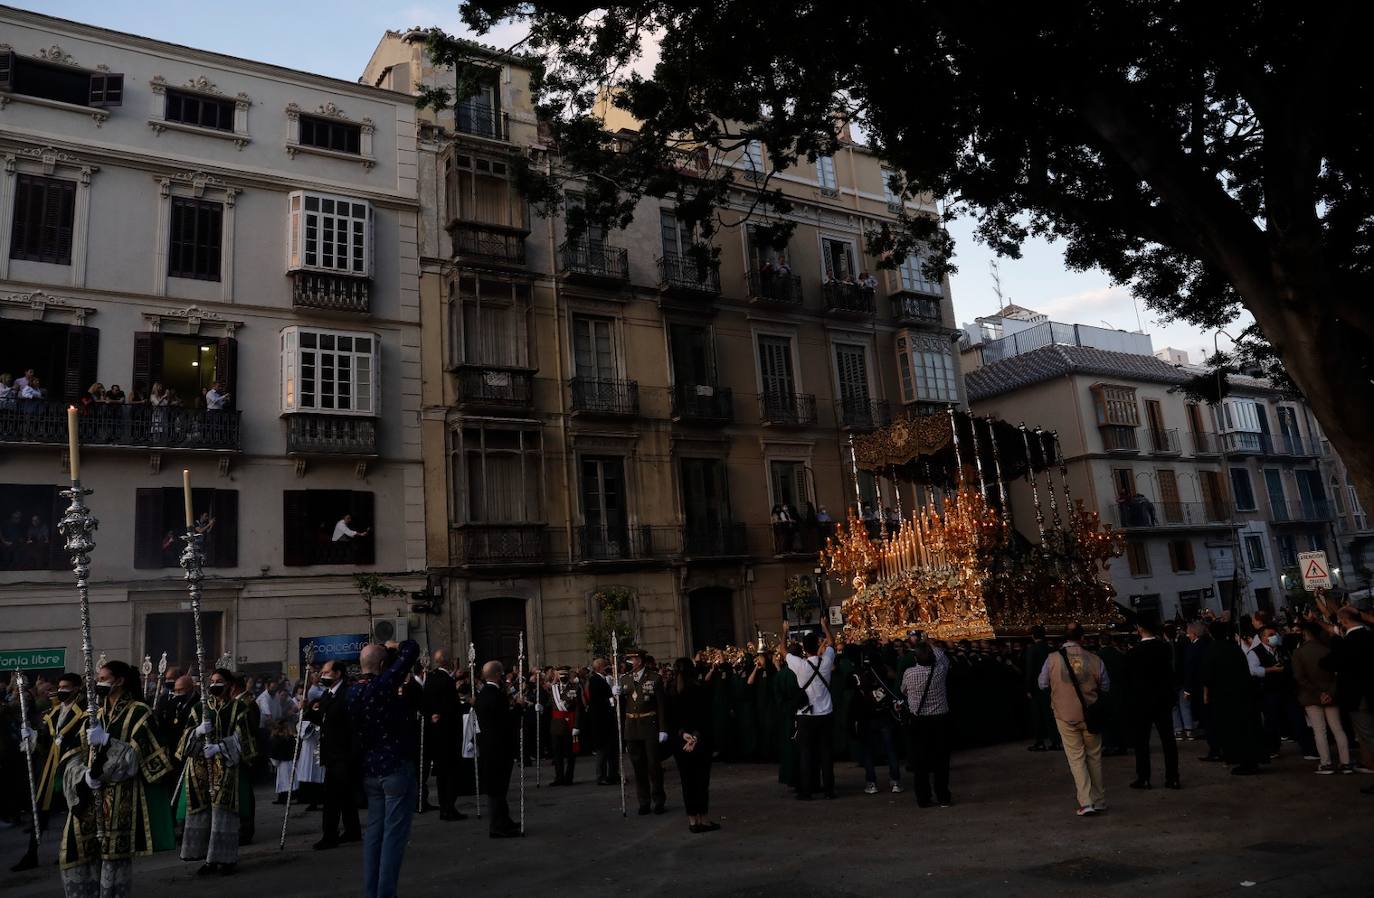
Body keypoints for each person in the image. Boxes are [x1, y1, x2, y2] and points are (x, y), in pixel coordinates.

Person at [58, 660, 173, 898]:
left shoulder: (140, 712)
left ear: (119, 681)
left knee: (112, 861)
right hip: (88, 796)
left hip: (121, 797)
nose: (98, 683)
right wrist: (85, 775)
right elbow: (74, 753)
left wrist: (108, 742)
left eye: (103, 679)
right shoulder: (95, 714)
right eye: (97, 679)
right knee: (76, 853)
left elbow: (137, 760)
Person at [348, 639, 421, 897]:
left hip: (370, 770)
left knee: (374, 836)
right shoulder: (382, 685)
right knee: (394, 837)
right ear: (381, 665)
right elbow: (411, 649)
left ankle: (372, 892)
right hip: (394, 766)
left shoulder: (352, 691)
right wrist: (394, 647)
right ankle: (386, 893)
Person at [178, 668, 255, 875]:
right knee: (204, 814)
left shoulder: (239, 708)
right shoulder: (199, 708)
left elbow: (244, 739)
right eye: (211, 680)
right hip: (201, 768)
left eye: (219, 680)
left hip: (226, 767)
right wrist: (198, 731)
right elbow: (184, 740)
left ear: (229, 684)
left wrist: (221, 747)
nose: (214, 684)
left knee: (223, 813)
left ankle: (226, 858)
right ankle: (209, 859)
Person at [1038, 623, 1109, 816]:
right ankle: (1099, 800)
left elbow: (1042, 683)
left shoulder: (1052, 658)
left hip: (1064, 714)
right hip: (1090, 714)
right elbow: (1105, 686)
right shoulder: (1095, 659)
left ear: (1064, 638)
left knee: (1076, 759)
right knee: (1094, 756)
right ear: (1082, 638)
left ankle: (1086, 802)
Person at [303, 660, 361, 850]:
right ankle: (353, 830)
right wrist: (308, 711)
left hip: (342, 753)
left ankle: (330, 835)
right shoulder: (328, 694)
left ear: (337, 674)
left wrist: (352, 753)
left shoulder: (347, 693)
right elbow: (323, 719)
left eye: (327, 672)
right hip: (332, 752)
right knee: (344, 795)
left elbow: (351, 725)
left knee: (332, 797)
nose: (323, 675)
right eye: (322, 672)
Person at [1320, 606, 1374, 794]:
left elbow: (1330, 662)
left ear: (1344, 621)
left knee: (1368, 737)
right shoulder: (1370, 635)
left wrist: (1335, 639)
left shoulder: (1348, 642)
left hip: (1357, 697)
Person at [1124, 612, 1180, 790]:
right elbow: (1170, 674)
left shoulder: (1133, 652)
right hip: (1163, 699)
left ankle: (1144, 777)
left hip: (1142, 701)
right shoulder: (1164, 648)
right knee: (1168, 740)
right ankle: (1173, 777)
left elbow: (1129, 679)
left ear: (1139, 629)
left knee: (1142, 741)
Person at [783, 617, 836, 800]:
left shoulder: (801, 666)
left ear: (804, 650)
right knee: (826, 754)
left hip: (805, 716)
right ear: (817, 645)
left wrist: (784, 631)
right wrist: (825, 627)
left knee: (806, 754)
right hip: (826, 714)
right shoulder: (827, 662)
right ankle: (829, 789)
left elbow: (783, 651)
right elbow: (831, 643)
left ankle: (806, 790)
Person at [1292, 620, 1352, 774]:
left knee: (1319, 731)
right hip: (1331, 695)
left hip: (1311, 696)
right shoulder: (1327, 649)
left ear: (1305, 633)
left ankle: (1326, 763)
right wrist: (1328, 692)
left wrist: (1319, 693)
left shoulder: (1299, 652)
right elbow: (1336, 675)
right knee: (1338, 729)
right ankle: (1346, 762)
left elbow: (1300, 678)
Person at [666, 657, 718, 833]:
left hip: (680, 741)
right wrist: (695, 737)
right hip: (700, 740)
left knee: (687, 782)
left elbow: (671, 720)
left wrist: (683, 735)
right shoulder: (700, 688)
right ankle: (704, 818)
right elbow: (705, 717)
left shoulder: (672, 690)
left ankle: (692, 820)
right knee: (701, 782)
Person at [475, 659, 525, 837]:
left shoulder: (485, 693)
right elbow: (505, 722)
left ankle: (504, 820)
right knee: (497, 788)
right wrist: (519, 707)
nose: (504, 677)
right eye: (502, 674)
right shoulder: (494, 695)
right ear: (497, 675)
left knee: (500, 788)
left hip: (492, 747)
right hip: (497, 748)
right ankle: (497, 826)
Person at [902, 639, 953, 807]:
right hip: (939, 720)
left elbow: (903, 690)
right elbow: (943, 656)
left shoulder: (909, 673)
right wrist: (929, 642)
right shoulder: (940, 670)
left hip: (918, 721)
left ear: (915, 659)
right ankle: (943, 797)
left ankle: (923, 798)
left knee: (920, 762)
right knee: (941, 761)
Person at [618, 649, 668, 814]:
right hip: (632, 726)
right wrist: (615, 697)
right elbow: (620, 707)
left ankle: (658, 799)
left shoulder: (654, 678)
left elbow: (661, 705)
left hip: (650, 725)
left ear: (639, 660)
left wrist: (663, 728)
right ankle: (644, 801)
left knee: (654, 765)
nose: (629, 661)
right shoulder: (624, 679)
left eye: (632, 658)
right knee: (638, 767)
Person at [851, 647, 902, 794]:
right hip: (883, 713)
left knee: (868, 751)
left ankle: (871, 782)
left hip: (867, 715)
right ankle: (895, 781)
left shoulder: (859, 673)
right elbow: (895, 676)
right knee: (890, 749)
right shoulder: (883, 671)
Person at [422, 649, 465, 820]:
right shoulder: (446, 680)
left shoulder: (430, 678)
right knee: (450, 773)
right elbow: (451, 707)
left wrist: (432, 715)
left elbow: (425, 704)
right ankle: (449, 807)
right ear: (448, 662)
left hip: (436, 734)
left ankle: (444, 806)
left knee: (441, 774)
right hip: (449, 733)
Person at [1024, 624, 1058, 752]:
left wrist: (1029, 688)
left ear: (1033, 636)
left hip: (1036, 688)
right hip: (1050, 686)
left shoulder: (1032, 650)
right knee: (1050, 714)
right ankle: (1055, 741)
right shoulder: (1050, 649)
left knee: (1037, 716)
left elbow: (1030, 670)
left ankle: (1040, 742)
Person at [585, 657, 617, 785]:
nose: (607, 668)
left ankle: (613, 774)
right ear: (599, 667)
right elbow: (598, 701)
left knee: (611, 749)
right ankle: (601, 776)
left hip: (608, 719)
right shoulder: (595, 680)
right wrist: (610, 697)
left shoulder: (603, 679)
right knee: (602, 751)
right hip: (601, 721)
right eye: (605, 666)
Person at [548, 666, 582, 786]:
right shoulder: (553, 689)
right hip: (556, 725)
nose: (562, 677)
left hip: (569, 724)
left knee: (570, 754)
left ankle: (568, 777)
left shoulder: (575, 688)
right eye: (560, 674)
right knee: (557, 754)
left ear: (568, 675)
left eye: (564, 675)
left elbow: (578, 708)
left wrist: (577, 726)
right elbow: (549, 704)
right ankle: (559, 777)